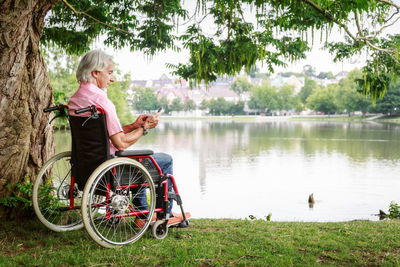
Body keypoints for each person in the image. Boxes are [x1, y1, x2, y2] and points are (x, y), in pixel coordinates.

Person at [68, 49, 190, 225]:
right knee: (164, 160)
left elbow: (105, 134)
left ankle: (142, 213)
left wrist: (134, 126)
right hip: (110, 169)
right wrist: (146, 128)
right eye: (109, 73)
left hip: (86, 165)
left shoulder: (76, 100)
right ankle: (165, 215)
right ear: (95, 73)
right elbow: (121, 143)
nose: (112, 78)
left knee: (138, 160)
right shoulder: (102, 102)